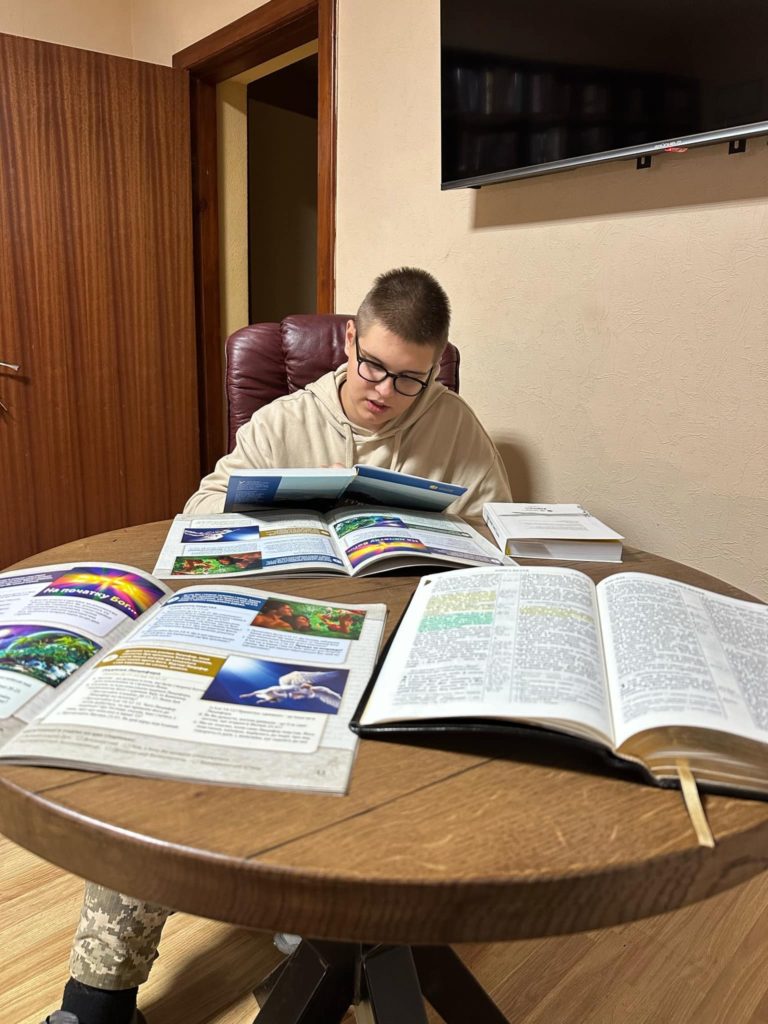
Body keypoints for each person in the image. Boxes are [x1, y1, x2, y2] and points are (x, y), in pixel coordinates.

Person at [49, 266, 512, 1024]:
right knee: (164, 761)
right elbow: (200, 516)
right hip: (280, 628)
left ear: (434, 369)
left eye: (410, 380)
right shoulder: (281, 423)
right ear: (351, 341)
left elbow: (497, 539)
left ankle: (320, 927)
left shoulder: (455, 425)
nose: (385, 393)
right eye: (373, 367)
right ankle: (97, 998)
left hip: (396, 649)